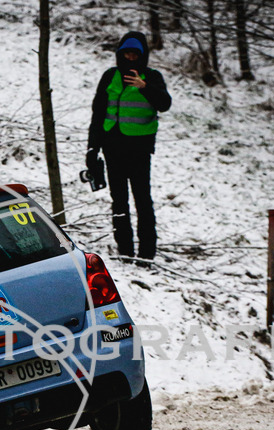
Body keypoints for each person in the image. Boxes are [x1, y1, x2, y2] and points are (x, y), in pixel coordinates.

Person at [86, 31, 171, 260]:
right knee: (119, 200)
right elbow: (98, 114)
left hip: (139, 150)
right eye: (127, 54)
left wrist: (145, 87)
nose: (131, 59)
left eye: (135, 55)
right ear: (120, 54)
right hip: (112, 149)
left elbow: (164, 104)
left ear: (142, 56)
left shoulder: (152, 77)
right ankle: (124, 251)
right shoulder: (109, 77)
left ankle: (146, 255)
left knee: (143, 200)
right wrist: (92, 148)